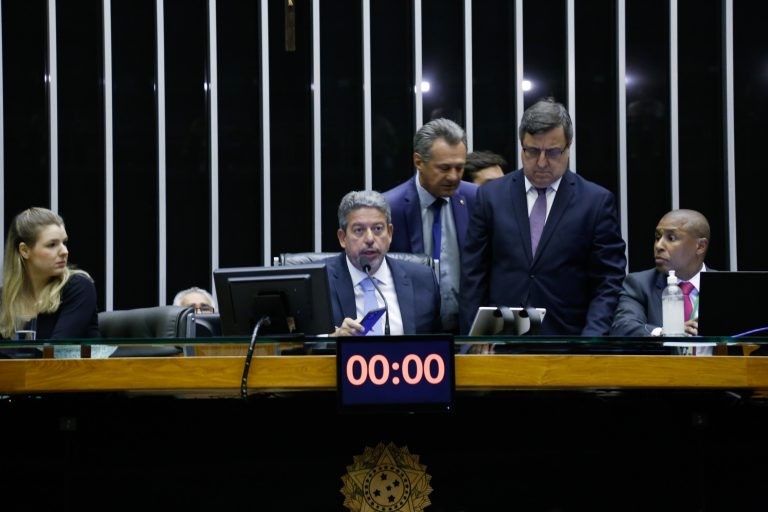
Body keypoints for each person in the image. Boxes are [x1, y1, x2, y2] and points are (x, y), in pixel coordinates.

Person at [459, 97, 627, 336]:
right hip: (501, 341)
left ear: (569, 147)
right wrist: (473, 339)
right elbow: (473, 275)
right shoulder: (491, 196)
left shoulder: (595, 202)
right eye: (533, 151)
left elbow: (608, 280)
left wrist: (592, 339)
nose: (541, 162)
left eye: (553, 152)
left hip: (568, 341)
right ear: (522, 146)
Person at [383, 118, 478, 333]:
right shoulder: (390, 208)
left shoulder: (476, 199)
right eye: (444, 168)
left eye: (459, 167)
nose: (453, 177)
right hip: (412, 332)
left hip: (466, 332)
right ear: (418, 162)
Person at [328, 190, 441, 337]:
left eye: (377, 229)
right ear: (342, 238)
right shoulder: (320, 281)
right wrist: (332, 339)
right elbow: (303, 341)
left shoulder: (423, 280)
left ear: (390, 233)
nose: (370, 239)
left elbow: (437, 343)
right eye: (359, 230)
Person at [0, 207, 100, 342]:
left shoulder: (79, 287)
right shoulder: (4, 299)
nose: (64, 251)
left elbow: (56, 351)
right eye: (52, 245)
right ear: (24, 251)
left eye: (64, 242)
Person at [610, 209, 710, 337]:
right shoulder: (640, 284)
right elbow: (623, 327)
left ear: (700, 246)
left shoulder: (725, 285)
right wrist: (663, 333)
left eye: (671, 238)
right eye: (658, 237)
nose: (659, 246)